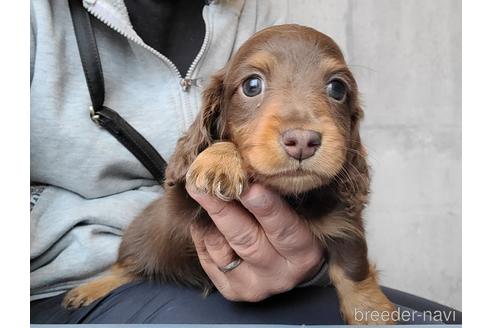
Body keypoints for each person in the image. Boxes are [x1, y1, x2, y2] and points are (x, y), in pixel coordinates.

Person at [30, 0, 459, 324]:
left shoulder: (256, 12)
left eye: (336, 89)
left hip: (277, 280)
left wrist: (311, 268)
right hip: (61, 282)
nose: (302, 133)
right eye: (252, 85)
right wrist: (220, 153)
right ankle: (121, 271)